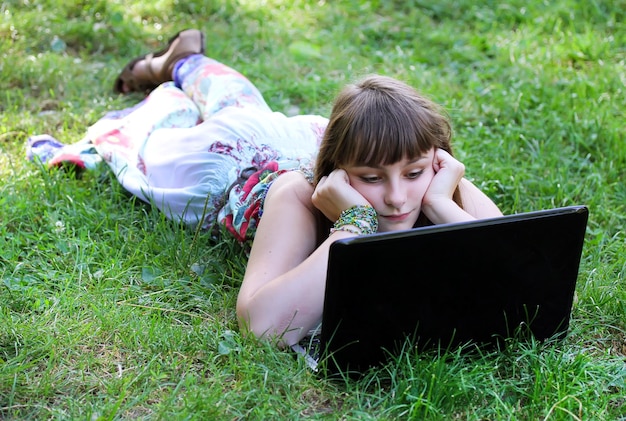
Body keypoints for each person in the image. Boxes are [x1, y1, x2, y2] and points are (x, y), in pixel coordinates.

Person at [31, 29, 502, 348]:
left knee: (240, 100)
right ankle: (174, 72)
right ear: (338, 172)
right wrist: (352, 224)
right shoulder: (298, 196)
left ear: (438, 160)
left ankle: (184, 59)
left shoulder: (431, 176)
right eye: (372, 179)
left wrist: (440, 201)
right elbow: (261, 327)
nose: (399, 198)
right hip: (228, 159)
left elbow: (517, 265)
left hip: (301, 137)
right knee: (155, 136)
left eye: (416, 175)